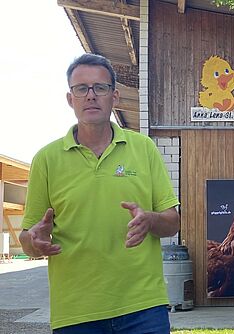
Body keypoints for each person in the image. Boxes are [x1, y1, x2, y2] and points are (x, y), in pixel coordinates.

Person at [20, 53, 180, 333]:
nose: (90, 96)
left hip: (143, 307)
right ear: (71, 99)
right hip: (76, 312)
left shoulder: (144, 149)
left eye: (100, 88)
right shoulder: (46, 159)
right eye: (81, 89)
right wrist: (35, 242)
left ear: (114, 96)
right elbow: (26, 239)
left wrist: (149, 221)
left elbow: (172, 222)